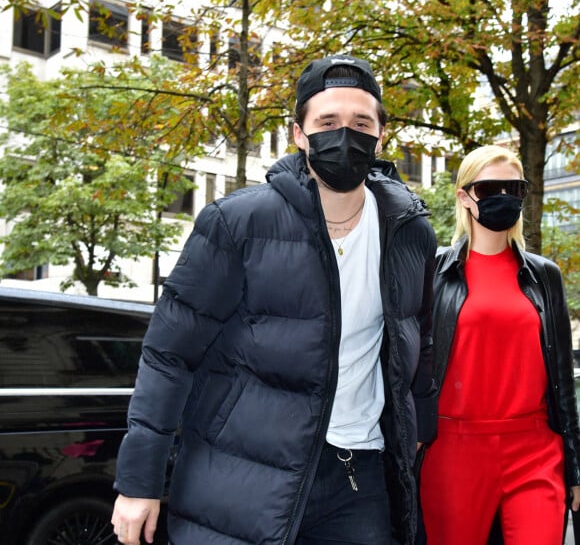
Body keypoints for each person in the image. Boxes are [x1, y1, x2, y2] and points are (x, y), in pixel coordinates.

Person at [111, 54, 438, 545]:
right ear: (299, 134)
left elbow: (420, 341)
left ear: (381, 135)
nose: (345, 135)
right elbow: (169, 355)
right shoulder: (236, 223)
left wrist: (418, 428)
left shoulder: (411, 232)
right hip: (239, 476)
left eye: (361, 122)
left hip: (359, 477)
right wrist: (138, 481)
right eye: (327, 122)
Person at [419, 145, 580, 545]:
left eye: (514, 189)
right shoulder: (433, 272)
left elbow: (562, 374)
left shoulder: (545, 276)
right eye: (490, 188)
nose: (504, 199)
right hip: (453, 450)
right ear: (464, 196)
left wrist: (574, 467)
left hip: (535, 449)